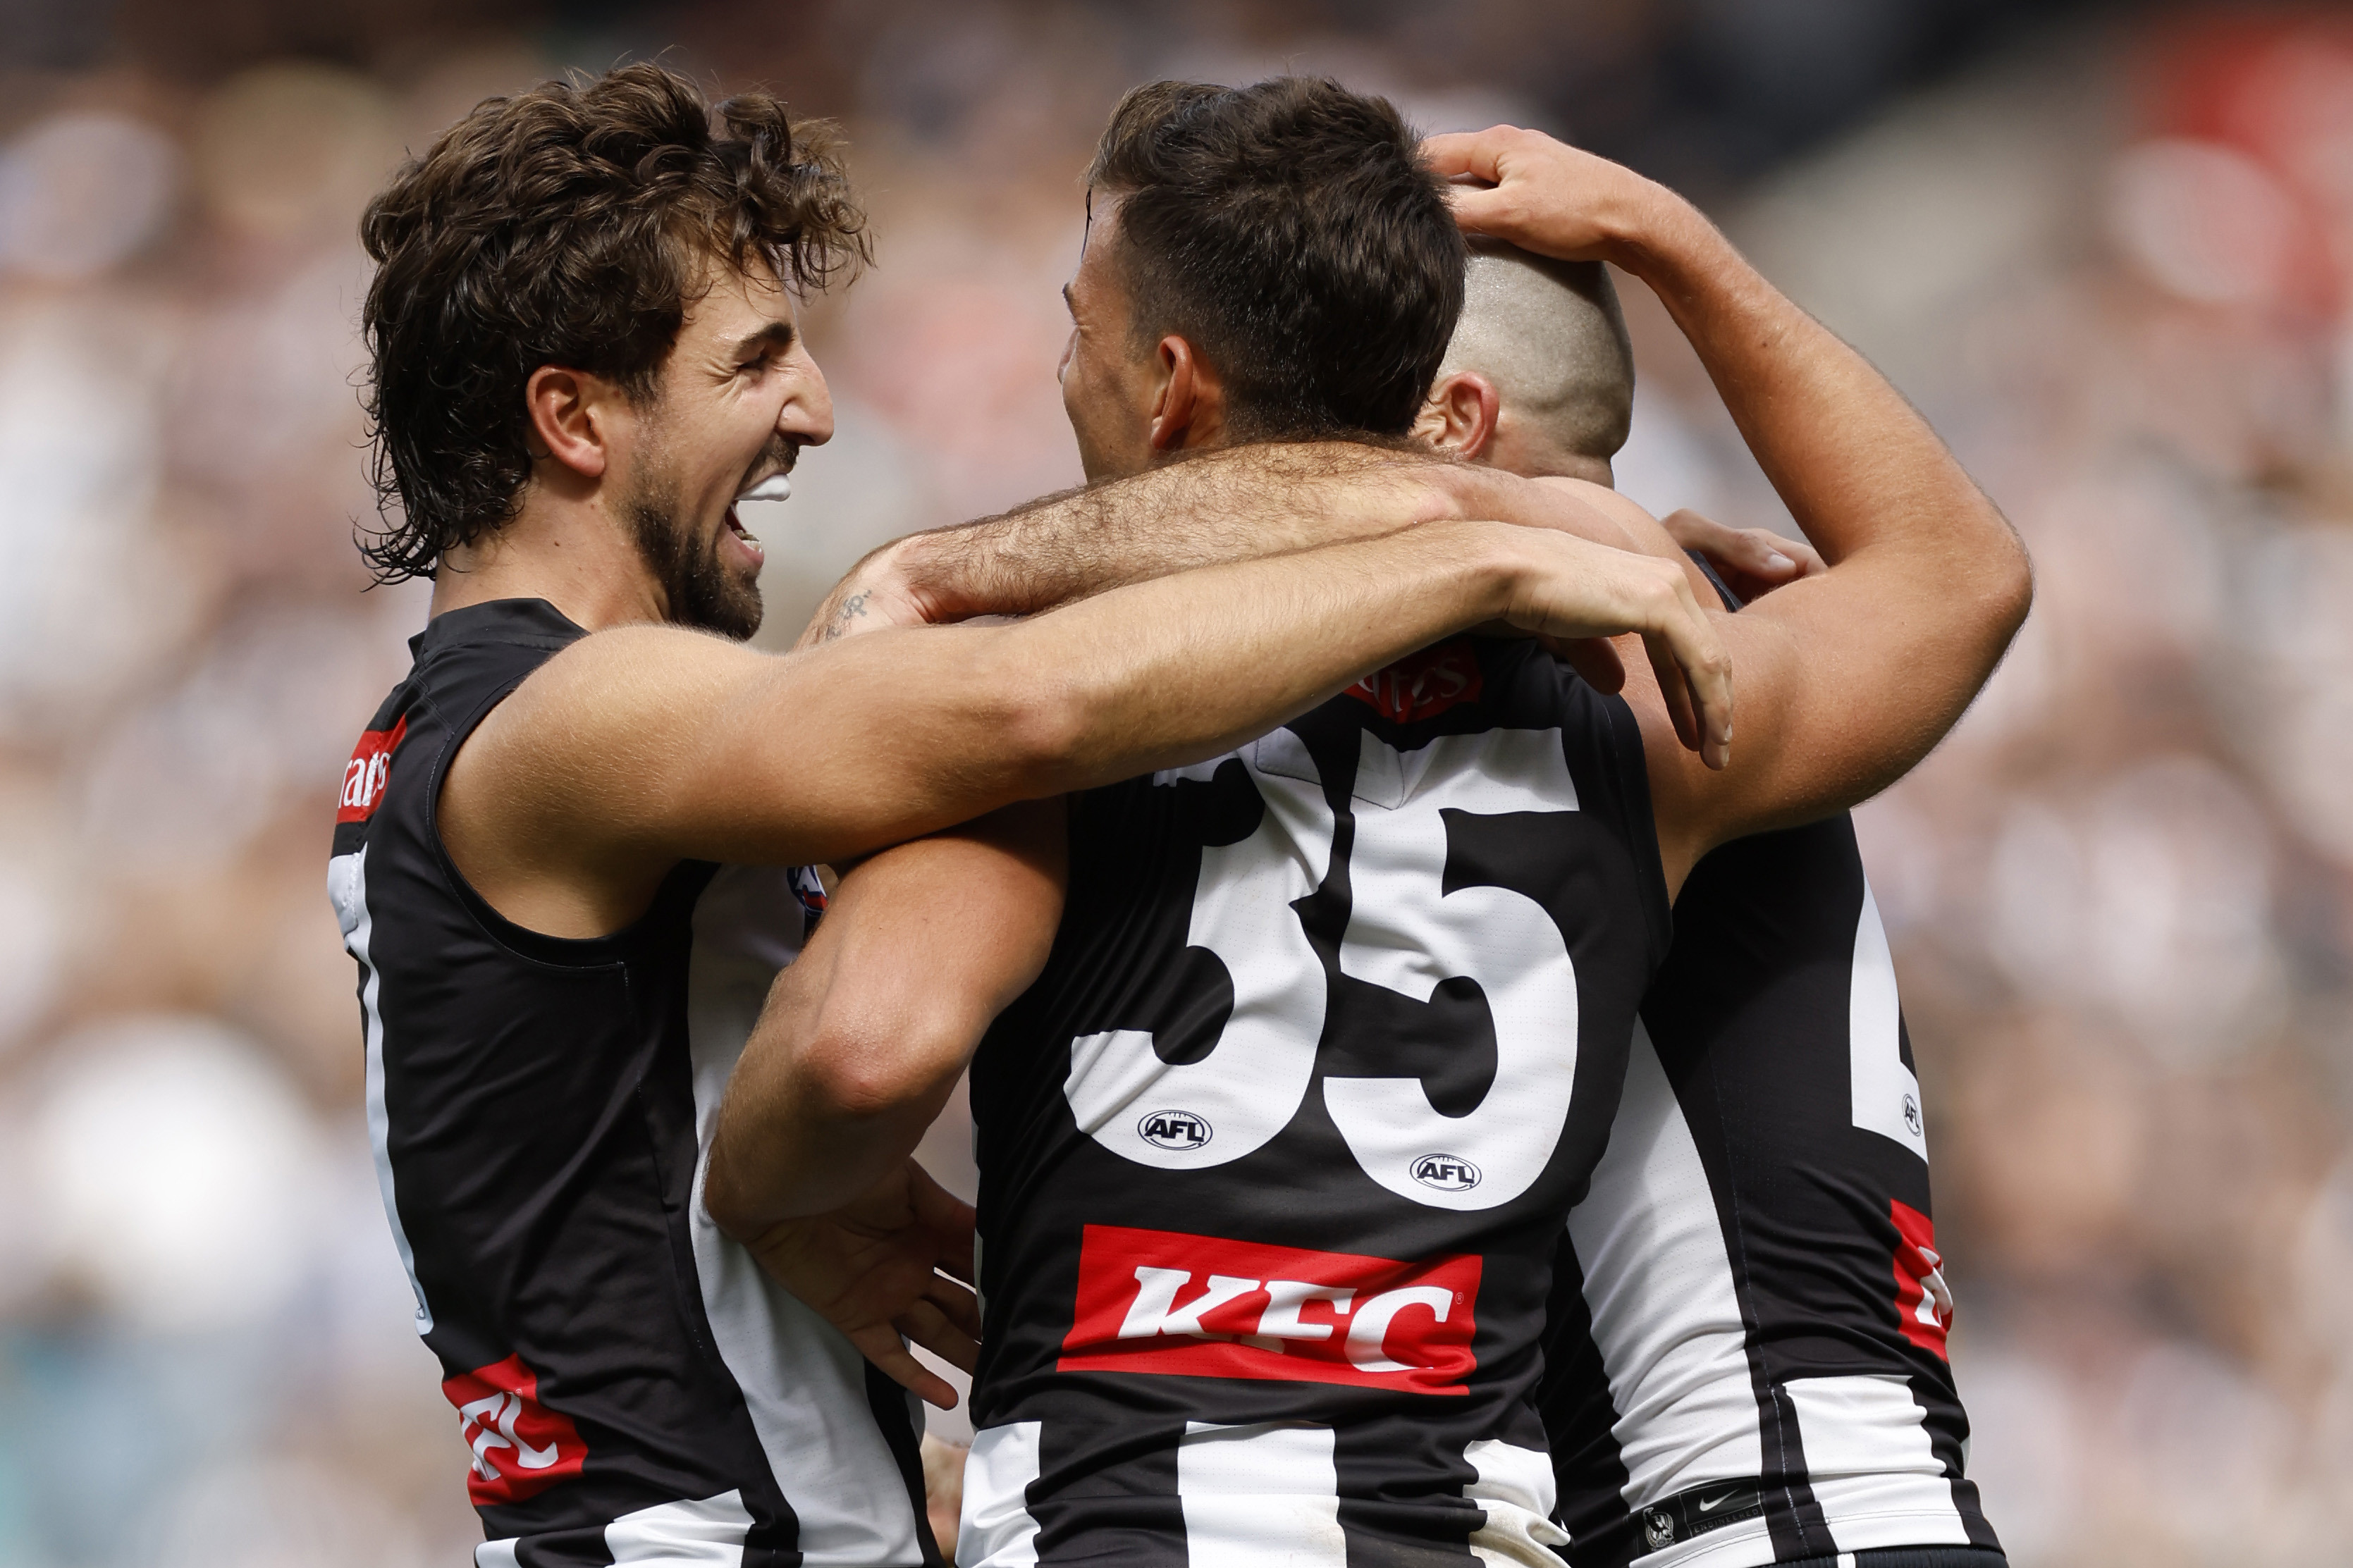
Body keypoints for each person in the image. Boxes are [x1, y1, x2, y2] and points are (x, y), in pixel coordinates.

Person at [328, 63, 1734, 1568]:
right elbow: (1028, 709)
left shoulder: (489, 731)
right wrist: (1490, 556)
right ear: (575, 418)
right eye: (751, 364)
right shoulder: (560, 720)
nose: (810, 407)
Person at [704, 80, 2029, 1568]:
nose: (1057, 371)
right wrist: (1646, 286)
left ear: (1171, 382)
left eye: (1078, 334)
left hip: (1206, 1512)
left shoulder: (1042, 712)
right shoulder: (1664, 695)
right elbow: (1957, 580)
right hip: (1507, 1520)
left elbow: (860, 1044)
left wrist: (763, 1197)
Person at [1418, 246, 2004, 1565]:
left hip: (1756, 1515)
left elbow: (1965, 576)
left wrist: (1655, 231)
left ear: (1453, 415)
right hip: (1797, 1505)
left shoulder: (1612, 677)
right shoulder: (1676, 636)